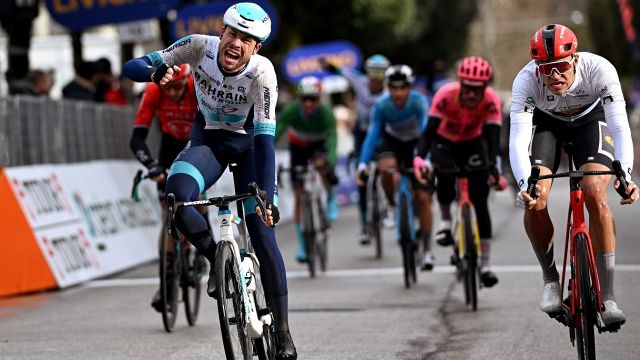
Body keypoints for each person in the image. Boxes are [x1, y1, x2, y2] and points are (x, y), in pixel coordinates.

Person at [122, 3, 297, 358]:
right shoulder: (198, 47)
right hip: (208, 144)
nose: (236, 43)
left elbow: (265, 141)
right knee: (176, 199)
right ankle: (217, 260)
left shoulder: (263, 74)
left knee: (262, 234)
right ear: (222, 33)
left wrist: (267, 198)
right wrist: (154, 74)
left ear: (256, 48)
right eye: (232, 33)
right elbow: (134, 66)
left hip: (249, 148)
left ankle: (283, 334)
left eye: (247, 40)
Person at [510, 24, 639, 327]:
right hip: (547, 125)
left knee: (595, 191)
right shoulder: (526, 80)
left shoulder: (600, 69)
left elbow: (619, 126)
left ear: (576, 60)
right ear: (537, 68)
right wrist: (524, 184)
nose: (554, 76)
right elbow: (517, 138)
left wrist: (626, 175)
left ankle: (607, 297)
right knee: (536, 197)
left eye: (561, 67)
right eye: (546, 69)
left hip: (589, 123)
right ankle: (551, 279)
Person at [413, 56, 507, 286]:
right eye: (468, 88)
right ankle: (445, 224)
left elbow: (494, 141)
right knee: (444, 175)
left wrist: (496, 170)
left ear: (486, 87)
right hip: (444, 142)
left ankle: (485, 265)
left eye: (478, 89)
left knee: (480, 200)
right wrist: (418, 158)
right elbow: (428, 133)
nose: (473, 94)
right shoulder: (445, 95)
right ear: (460, 84)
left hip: (471, 143)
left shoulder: (492, 101)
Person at [129, 63, 200, 312]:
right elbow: (137, 138)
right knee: (167, 214)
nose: (172, 92)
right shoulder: (153, 91)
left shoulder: (196, 87)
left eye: (178, 86)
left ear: (187, 81)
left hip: (196, 143)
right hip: (170, 144)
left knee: (196, 201)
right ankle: (167, 283)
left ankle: (201, 252)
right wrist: (152, 165)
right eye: (167, 87)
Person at [355, 65, 434, 270]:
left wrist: (426, 160)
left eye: (403, 88)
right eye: (393, 88)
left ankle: (427, 249)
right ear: (387, 88)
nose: (398, 93)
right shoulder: (382, 105)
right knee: (385, 167)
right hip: (393, 143)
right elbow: (373, 136)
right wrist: (362, 163)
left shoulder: (419, 101)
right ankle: (391, 205)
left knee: (423, 197)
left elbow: (427, 132)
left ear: (410, 87)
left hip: (417, 143)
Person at [322, 54, 390, 244]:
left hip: (382, 132)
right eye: (373, 76)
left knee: (387, 168)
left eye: (380, 76)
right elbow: (341, 72)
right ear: (367, 74)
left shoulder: (389, 88)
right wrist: (328, 65)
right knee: (362, 178)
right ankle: (364, 226)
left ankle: (387, 204)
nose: (376, 81)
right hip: (362, 132)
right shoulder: (359, 81)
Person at [275, 76, 338, 263]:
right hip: (299, 146)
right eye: (304, 99)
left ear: (319, 98)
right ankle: (303, 245)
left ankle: (331, 198)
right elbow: (276, 132)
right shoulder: (291, 111)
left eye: (313, 99)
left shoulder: (327, 113)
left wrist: (330, 163)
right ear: (299, 99)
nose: (309, 103)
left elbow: (333, 140)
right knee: (298, 193)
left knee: (322, 166)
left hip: (319, 144)